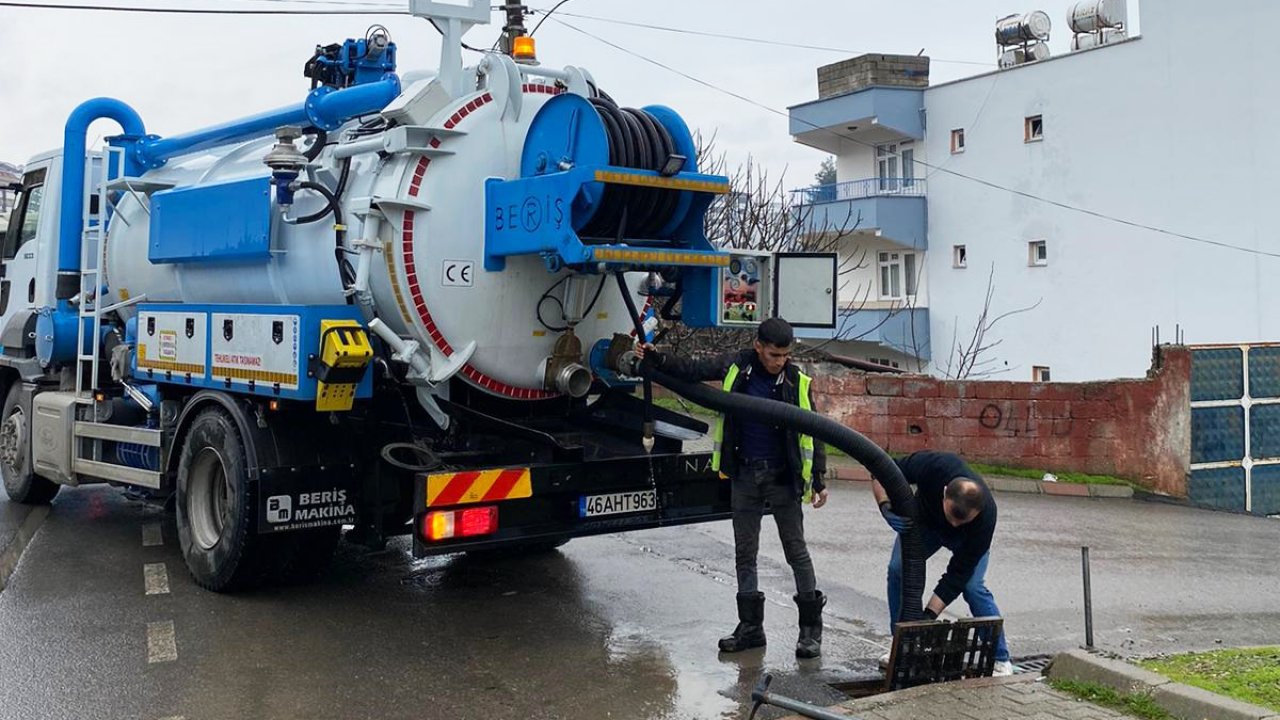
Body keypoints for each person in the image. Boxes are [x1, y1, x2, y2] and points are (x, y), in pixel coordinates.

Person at [638, 317, 830, 658]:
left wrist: (818, 478)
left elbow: (814, 429)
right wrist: (658, 358)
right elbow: (694, 368)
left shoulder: (796, 380)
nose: (779, 362)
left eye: (785, 355)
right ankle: (751, 628)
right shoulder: (739, 366)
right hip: (744, 475)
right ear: (758, 346)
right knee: (745, 553)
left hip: (782, 477)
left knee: (795, 551)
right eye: (774, 355)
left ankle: (810, 631)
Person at [874, 450, 1013, 675]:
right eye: (951, 517)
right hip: (925, 526)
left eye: (962, 521)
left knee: (973, 587)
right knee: (898, 569)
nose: (955, 525)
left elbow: (957, 575)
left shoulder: (985, 518)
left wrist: (928, 616)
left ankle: (1000, 658)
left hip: (966, 542)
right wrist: (885, 507)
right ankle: (900, 646)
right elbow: (880, 471)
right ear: (945, 492)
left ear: (976, 512)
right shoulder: (934, 466)